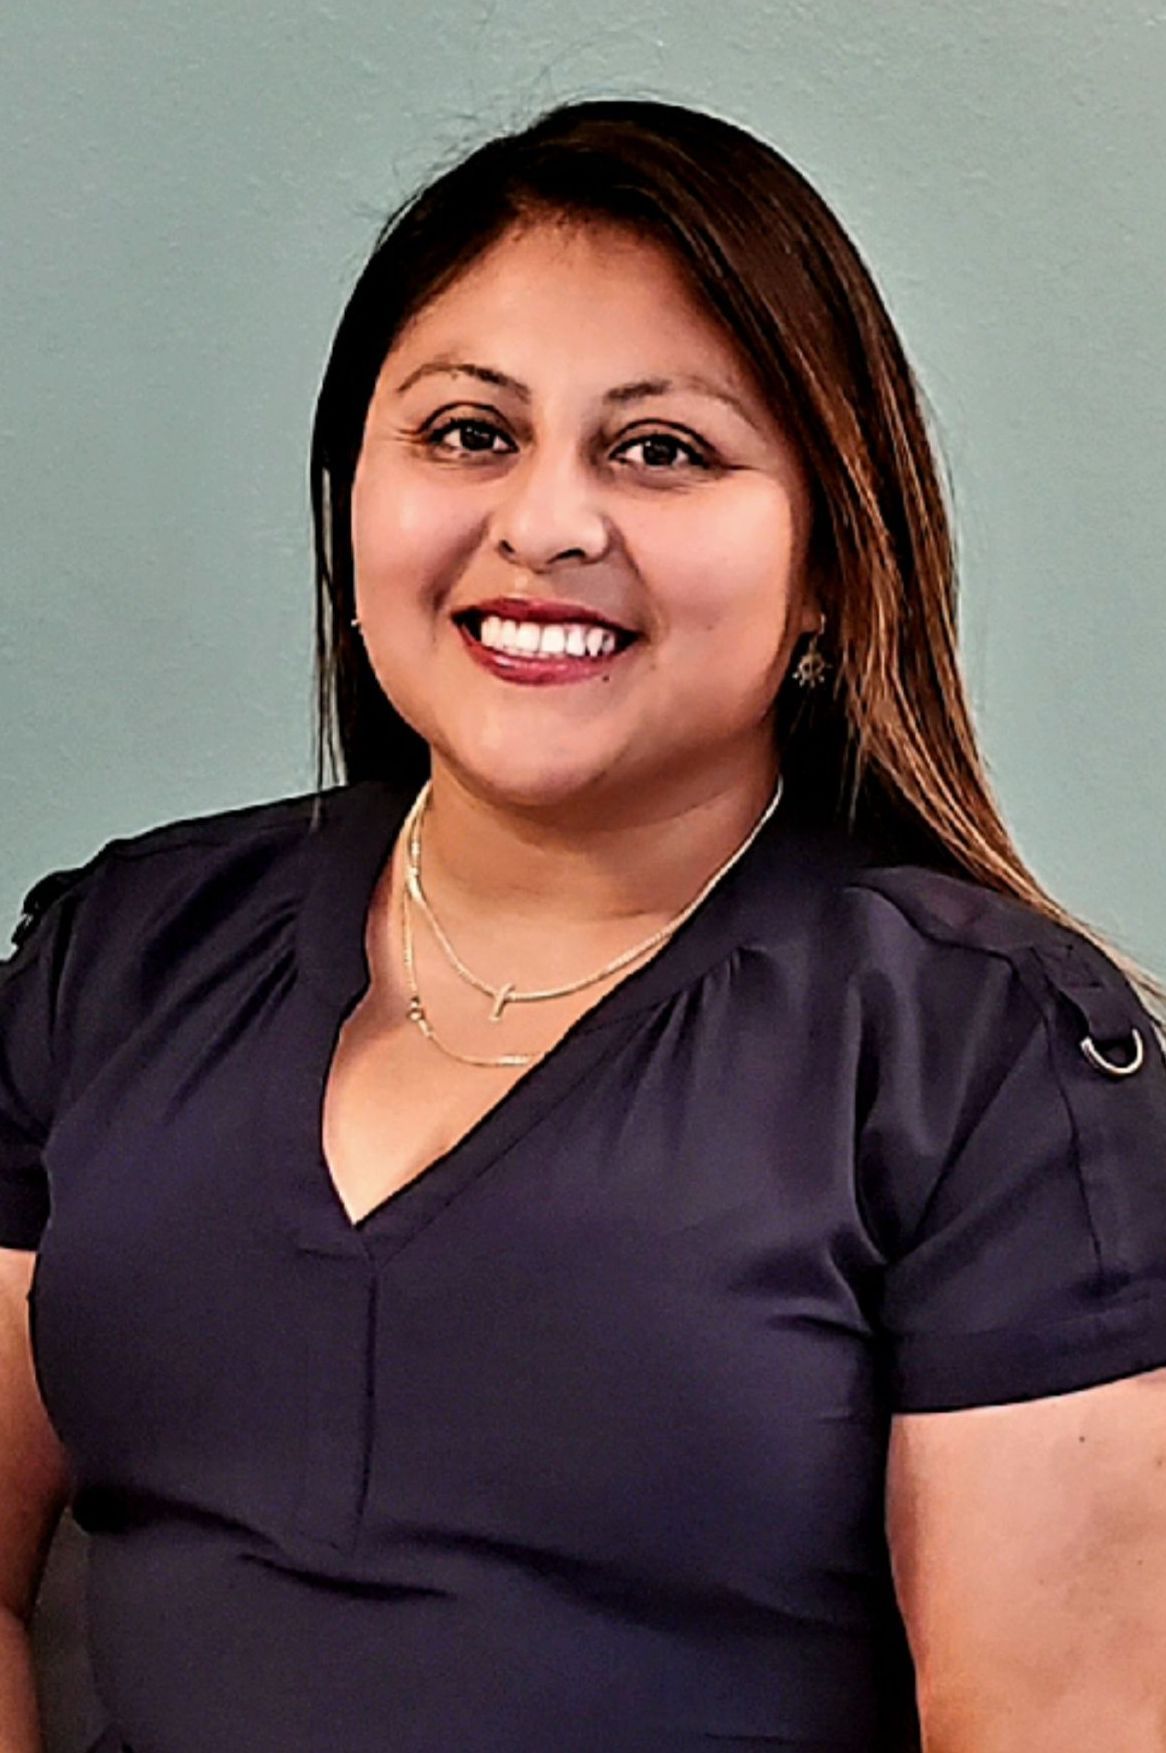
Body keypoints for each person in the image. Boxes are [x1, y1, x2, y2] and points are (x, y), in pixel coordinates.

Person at [2, 96, 1165, 1753]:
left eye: (661, 447)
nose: (545, 524)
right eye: (468, 433)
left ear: (833, 557)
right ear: (352, 505)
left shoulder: (984, 1060)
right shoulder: (120, 955)